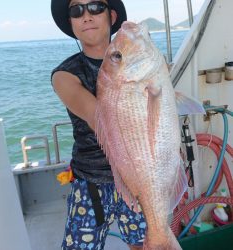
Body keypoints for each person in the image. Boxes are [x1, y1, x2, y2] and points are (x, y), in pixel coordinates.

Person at [51, 0, 146, 249]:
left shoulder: (139, 62)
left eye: (95, 7)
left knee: (146, 243)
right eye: (76, 11)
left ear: (111, 15)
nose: (86, 16)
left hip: (136, 176)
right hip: (90, 183)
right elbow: (103, 122)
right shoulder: (65, 75)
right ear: (71, 23)